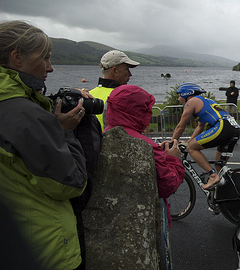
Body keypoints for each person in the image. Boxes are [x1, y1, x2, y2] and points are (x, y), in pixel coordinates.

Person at [0, 20, 88, 269]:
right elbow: (69, 183)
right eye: (45, 58)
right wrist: (64, 132)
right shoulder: (25, 115)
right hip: (44, 248)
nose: (50, 68)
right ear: (17, 57)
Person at [104, 85, 185, 226]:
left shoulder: (101, 137)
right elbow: (167, 185)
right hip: (143, 220)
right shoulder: (148, 147)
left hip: (107, 218)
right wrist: (172, 159)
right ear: (140, 112)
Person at [166, 83, 240, 189]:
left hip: (223, 127)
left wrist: (172, 142)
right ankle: (223, 200)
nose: (178, 99)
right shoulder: (204, 101)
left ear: (187, 94)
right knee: (220, 167)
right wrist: (187, 142)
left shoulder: (191, 102)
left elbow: (180, 127)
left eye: (179, 95)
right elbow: (200, 127)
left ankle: (212, 175)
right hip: (234, 128)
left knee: (192, 148)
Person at [89, 50, 140, 129]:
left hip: (94, 141)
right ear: (115, 71)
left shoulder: (89, 94)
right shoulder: (122, 97)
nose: (130, 74)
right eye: (127, 69)